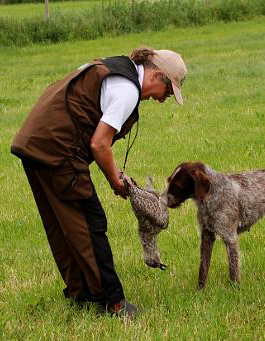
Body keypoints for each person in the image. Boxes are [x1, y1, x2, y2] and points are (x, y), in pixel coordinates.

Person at [11, 47, 187, 318]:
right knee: (91, 224)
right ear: (157, 75)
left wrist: (117, 173)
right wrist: (115, 180)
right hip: (59, 150)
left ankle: (81, 294)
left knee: (62, 225)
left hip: (34, 142)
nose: (163, 99)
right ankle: (113, 302)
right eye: (168, 91)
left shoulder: (114, 67)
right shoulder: (127, 90)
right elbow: (99, 143)